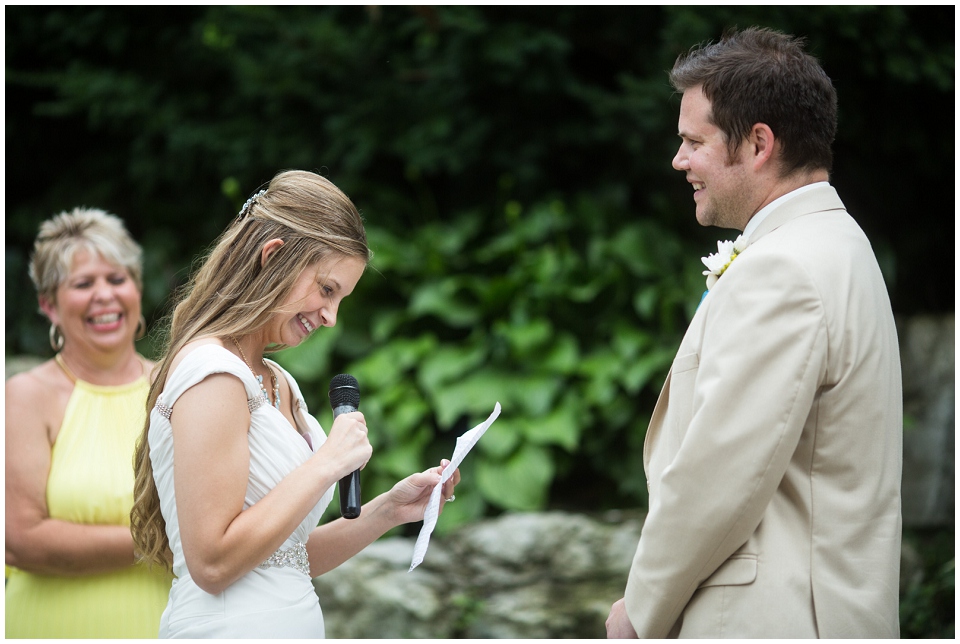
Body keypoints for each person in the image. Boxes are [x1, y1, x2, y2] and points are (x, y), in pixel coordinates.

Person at [606, 27, 902, 638]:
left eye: (694, 141)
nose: (678, 160)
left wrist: (639, 611)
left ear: (759, 142)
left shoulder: (784, 268)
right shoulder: (841, 245)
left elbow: (720, 471)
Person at [130, 169, 460, 638]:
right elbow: (214, 563)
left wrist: (388, 510)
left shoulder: (278, 382)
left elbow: (288, 557)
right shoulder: (213, 373)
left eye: (341, 299)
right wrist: (327, 462)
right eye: (327, 290)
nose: (331, 317)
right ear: (273, 257)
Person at [5, 208, 172, 637]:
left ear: (136, 289)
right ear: (49, 305)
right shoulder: (25, 397)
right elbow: (19, 538)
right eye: (83, 284)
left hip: (166, 625)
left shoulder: (177, 387)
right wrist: (166, 542)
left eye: (117, 279)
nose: (104, 295)